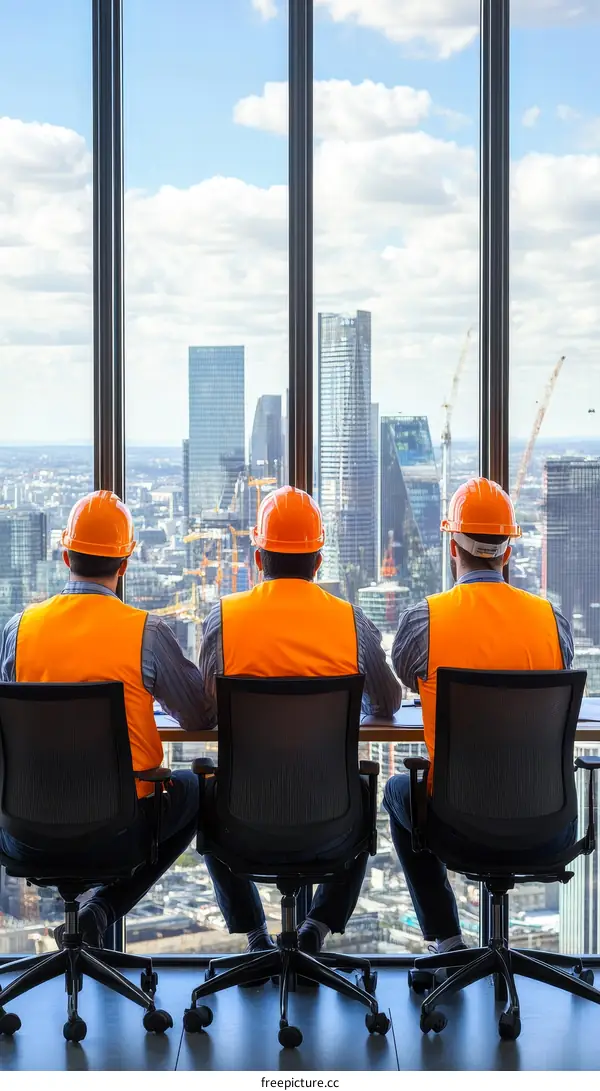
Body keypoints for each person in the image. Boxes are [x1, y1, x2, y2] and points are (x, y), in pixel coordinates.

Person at [0, 490, 214, 948]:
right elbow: (198, 712)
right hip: (118, 831)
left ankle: (97, 913)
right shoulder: (147, 633)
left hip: (28, 829)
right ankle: (104, 908)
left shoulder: (17, 632)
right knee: (196, 789)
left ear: (64, 556)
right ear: (125, 563)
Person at [198, 485, 401, 961]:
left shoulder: (224, 621)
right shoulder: (349, 621)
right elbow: (389, 699)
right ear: (318, 561)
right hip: (330, 818)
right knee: (362, 790)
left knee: (200, 788)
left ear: (256, 557)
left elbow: (207, 707)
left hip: (241, 819)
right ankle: (316, 927)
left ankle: (255, 935)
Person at [384, 477, 575, 957]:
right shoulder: (552, 623)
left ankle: (447, 940)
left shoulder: (424, 621)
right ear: (507, 552)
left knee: (398, 789)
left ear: (454, 546)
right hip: (543, 819)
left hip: (455, 820)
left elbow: (409, 677)